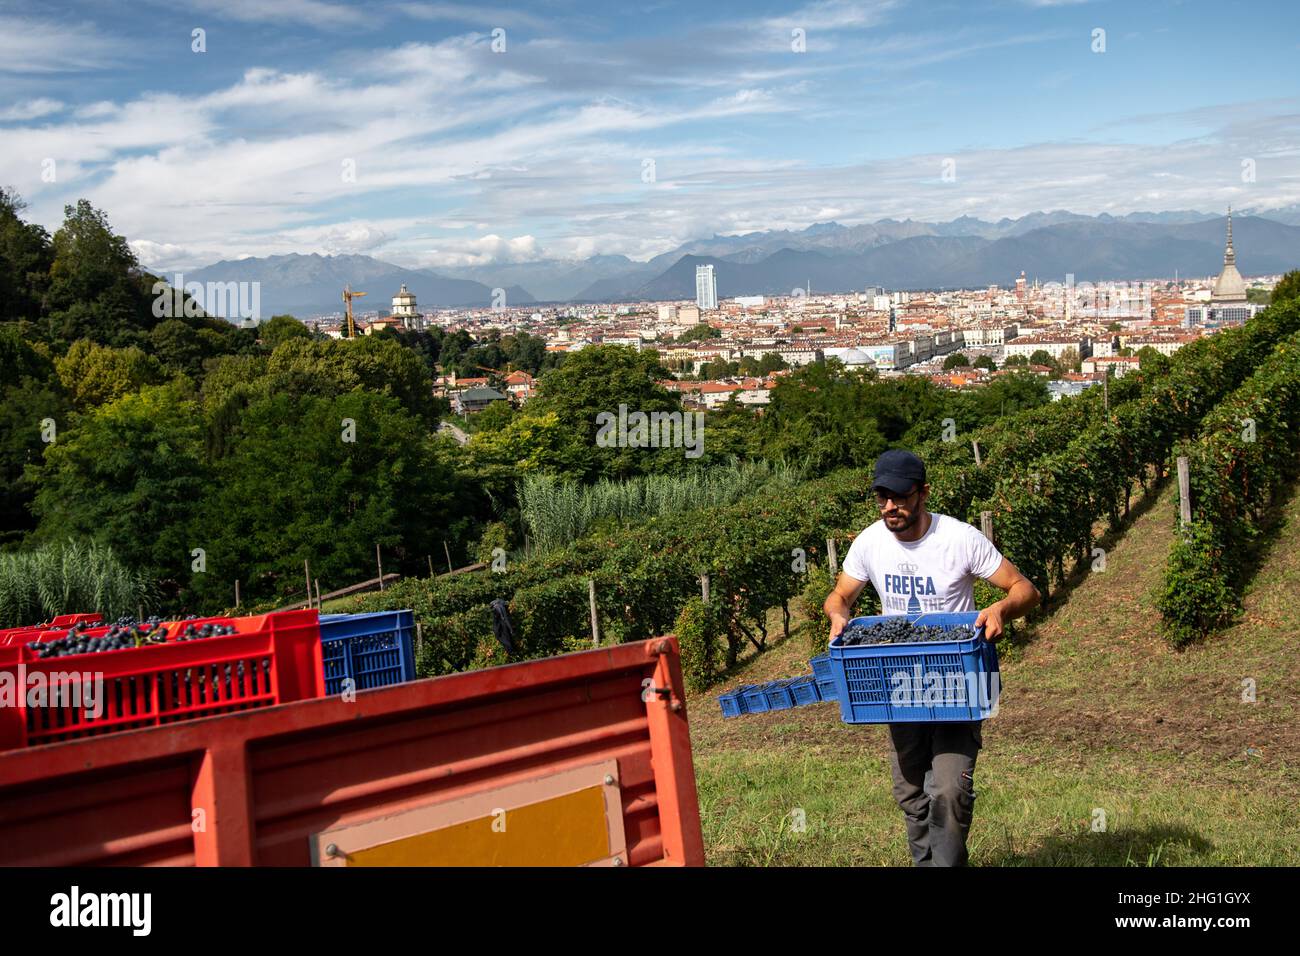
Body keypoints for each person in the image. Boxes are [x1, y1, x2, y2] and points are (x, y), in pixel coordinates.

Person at [823, 448, 1040, 866]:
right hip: (898, 682)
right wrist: (837, 614)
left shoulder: (958, 539)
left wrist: (999, 609)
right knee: (910, 793)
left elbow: (1024, 590)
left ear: (923, 493)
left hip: (957, 681)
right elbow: (841, 595)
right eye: (882, 497)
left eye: (900, 497)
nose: (890, 507)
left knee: (948, 790)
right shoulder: (870, 542)